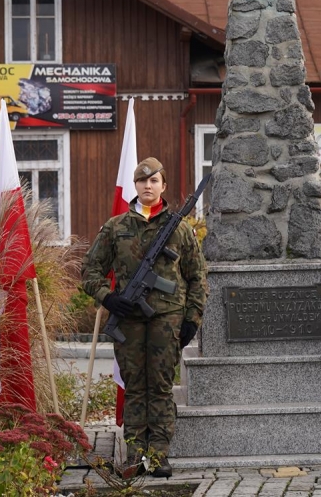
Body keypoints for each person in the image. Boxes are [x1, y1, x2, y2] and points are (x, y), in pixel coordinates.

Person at [82, 158, 208, 477]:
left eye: (154, 181)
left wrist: (192, 319)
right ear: (135, 187)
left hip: (168, 320)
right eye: (142, 181)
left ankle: (158, 455)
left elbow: (197, 276)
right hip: (129, 322)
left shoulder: (179, 229)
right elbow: (89, 271)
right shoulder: (115, 227)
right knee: (135, 387)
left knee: (161, 387)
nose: (148, 186)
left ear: (163, 186)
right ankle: (137, 455)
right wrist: (107, 297)